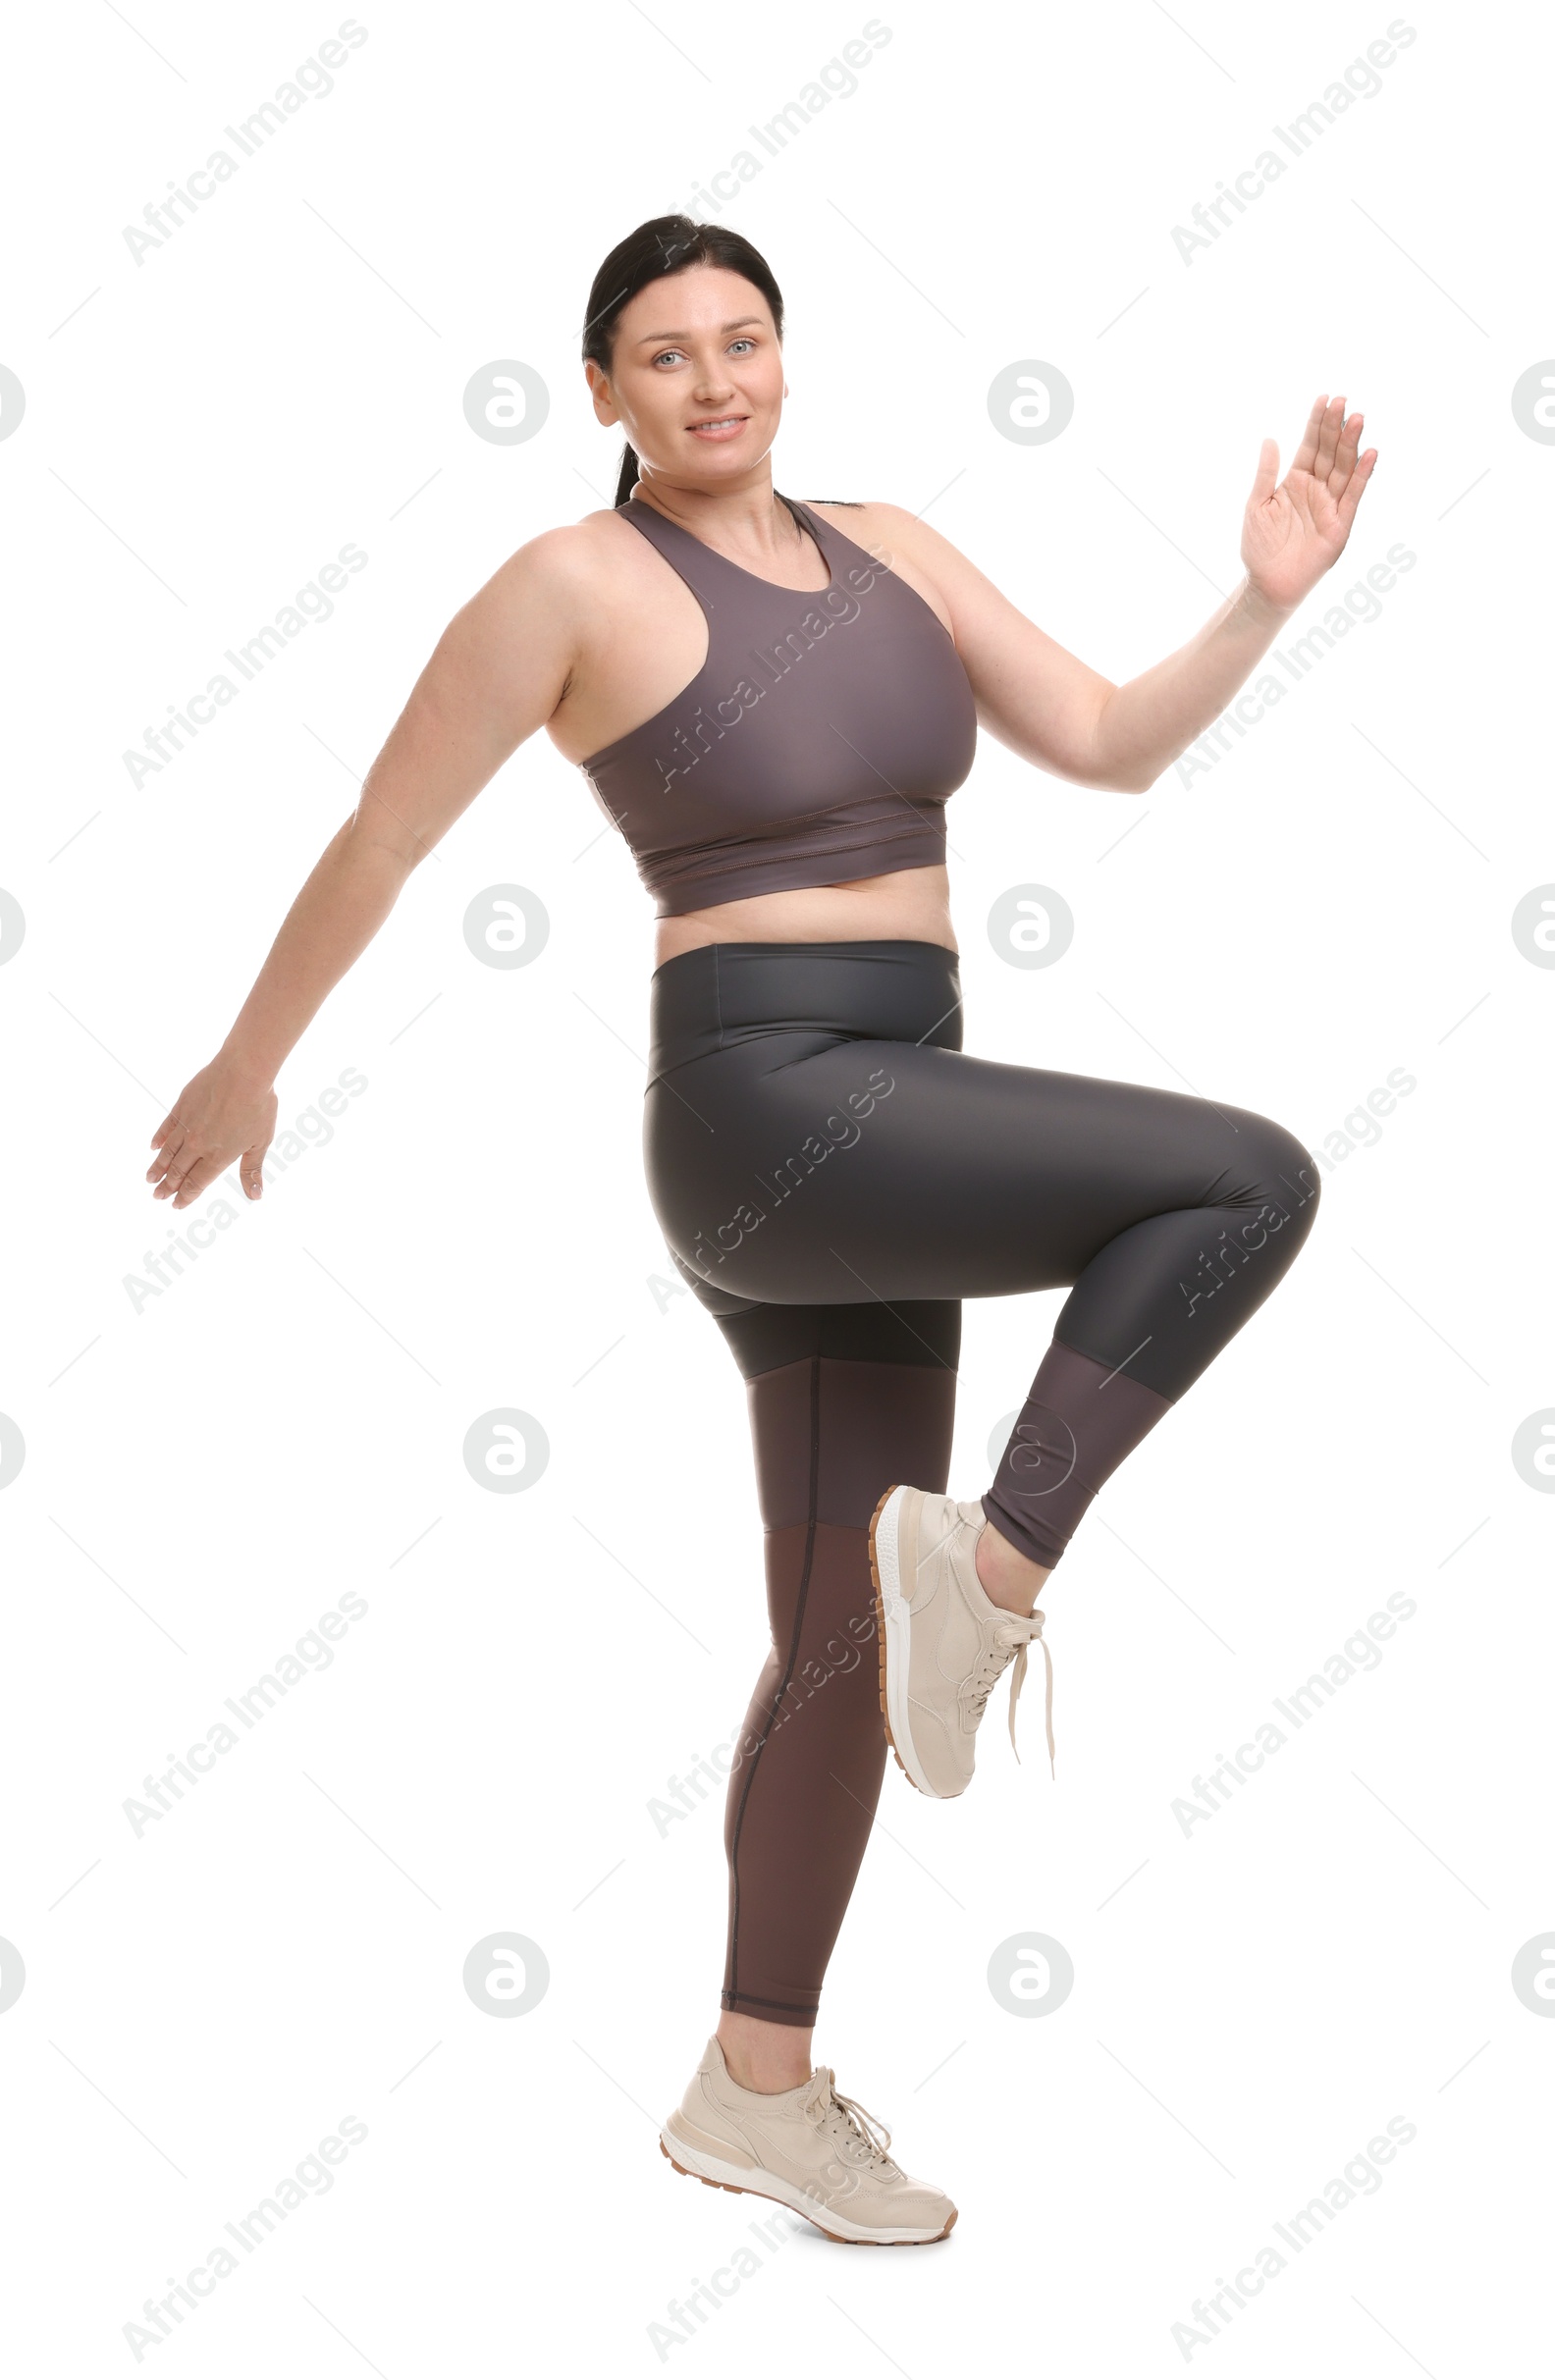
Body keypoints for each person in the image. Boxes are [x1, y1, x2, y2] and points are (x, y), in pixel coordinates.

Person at [145, 214, 1377, 2247]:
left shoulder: (891, 541)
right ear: (604, 392)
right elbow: (382, 830)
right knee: (1241, 1179)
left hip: (911, 1092)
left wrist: (1253, 607)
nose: (712, 380)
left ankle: (755, 2082)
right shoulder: (572, 583)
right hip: (760, 1101)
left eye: (743, 340)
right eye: (663, 353)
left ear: (783, 357)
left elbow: (1101, 739)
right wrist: (251, 1058)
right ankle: (984, 1576)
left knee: (829, 1646)